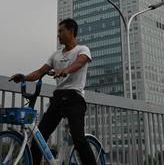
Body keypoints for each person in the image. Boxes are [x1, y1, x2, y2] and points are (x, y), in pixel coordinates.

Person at [10, 18, 98, 165]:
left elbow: (80, 62)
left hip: (75, 100)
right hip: (58, 100)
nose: (58, 35)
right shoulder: (55, 55)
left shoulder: (82, 50)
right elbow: (39, 72)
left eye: (61, 31)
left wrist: (65, 70)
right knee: (38, 138)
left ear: (71, 31)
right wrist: (23, 77)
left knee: (78, 138)